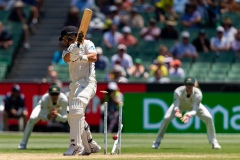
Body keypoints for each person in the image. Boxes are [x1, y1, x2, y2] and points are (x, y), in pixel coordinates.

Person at [59, 25, 101, 155]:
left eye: (66, 38)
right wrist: (74, 52)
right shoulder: (67, 50)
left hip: (88, 81)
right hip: (75, 84)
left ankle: (75, 146)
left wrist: (80, 56)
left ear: (73, 36)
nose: (65, 42)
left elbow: (94, 57)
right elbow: (66, 58)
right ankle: (90, 145)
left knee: (77, 105)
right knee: (72, 115)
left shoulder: (88, 43)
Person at [152, 77, 221, 149]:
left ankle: (214, 142)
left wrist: (188, 114)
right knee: (166, 118)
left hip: (192, 106)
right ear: (184, 84)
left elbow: (194, 110)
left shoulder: (198, 94)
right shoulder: (178, 91)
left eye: (191, 85)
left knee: (208, 117)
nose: (189, 87)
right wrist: (177, 110)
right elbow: (176, 105)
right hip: (180, 106)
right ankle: (157, 141)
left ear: (194, 85)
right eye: (187, 84)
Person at [18, 85, 68, 149]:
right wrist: (49, 116)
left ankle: (75, 144)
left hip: (58, 109)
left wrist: (57, 116)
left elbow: (64, 119)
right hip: (45, 108)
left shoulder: (64, 99)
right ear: (49, 94)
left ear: (59, 94)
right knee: (32, 119)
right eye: (52, 94)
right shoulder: (44, 99)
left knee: (73, 117)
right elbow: (43, 118)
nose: (54, 96)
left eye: (56, 94)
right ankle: (23, 144)